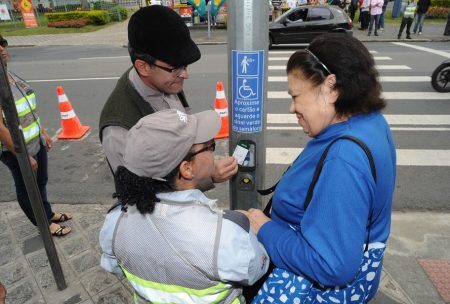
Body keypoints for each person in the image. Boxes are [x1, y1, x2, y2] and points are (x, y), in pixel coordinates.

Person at [243, 33, 396, 303]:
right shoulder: (370, 121)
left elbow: (332, 266)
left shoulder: (344, 158)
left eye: (296, 96)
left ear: (331, 87)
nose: (292, 108)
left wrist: (263, 227)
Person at [99, 109, 269, 303]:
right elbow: (256, 269)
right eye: (209, 146)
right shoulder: (224, 234)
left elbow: (115, 267)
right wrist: (250, 229)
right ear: (187, 168)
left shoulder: (115, 222)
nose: (214, 151)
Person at [99, 6, 237, 190]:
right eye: (175, 68)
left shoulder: (166, 80)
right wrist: (207, 176)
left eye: (185, 65)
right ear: (143, 67)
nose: (185, 75)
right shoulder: (119, 129)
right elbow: (142, 197)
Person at [0, 35, 72, 237]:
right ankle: (43, 223)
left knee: (41, 181)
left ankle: (47, 213)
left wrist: (43, 132)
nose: (2, 49)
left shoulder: (9, 75)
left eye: (2, 44)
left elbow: (26, 109)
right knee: (26, 187)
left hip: (35, 142)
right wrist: (22, 155)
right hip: (15, 149)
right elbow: (0, 128)